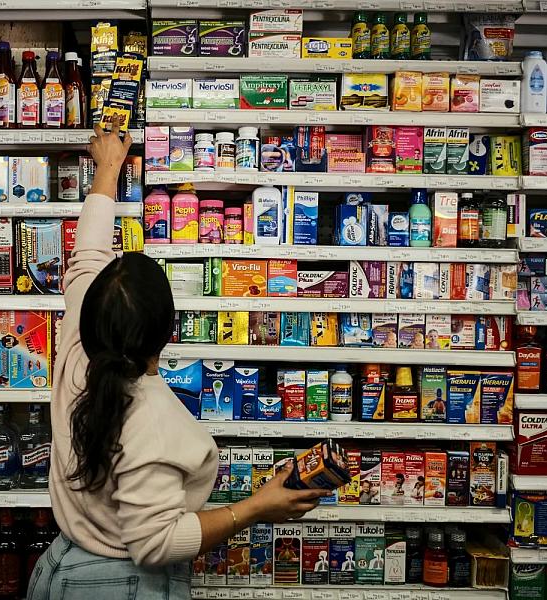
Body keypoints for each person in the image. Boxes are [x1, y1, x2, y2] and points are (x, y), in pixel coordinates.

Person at [28, 117, 328, 599]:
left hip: (60, 563)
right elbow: (155, 543)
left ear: (90, 311)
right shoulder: (149, 418)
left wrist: (108, 168)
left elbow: (87, 256)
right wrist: (256, 507)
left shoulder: (77, 347)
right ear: (168, 334)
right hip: (114, 584)